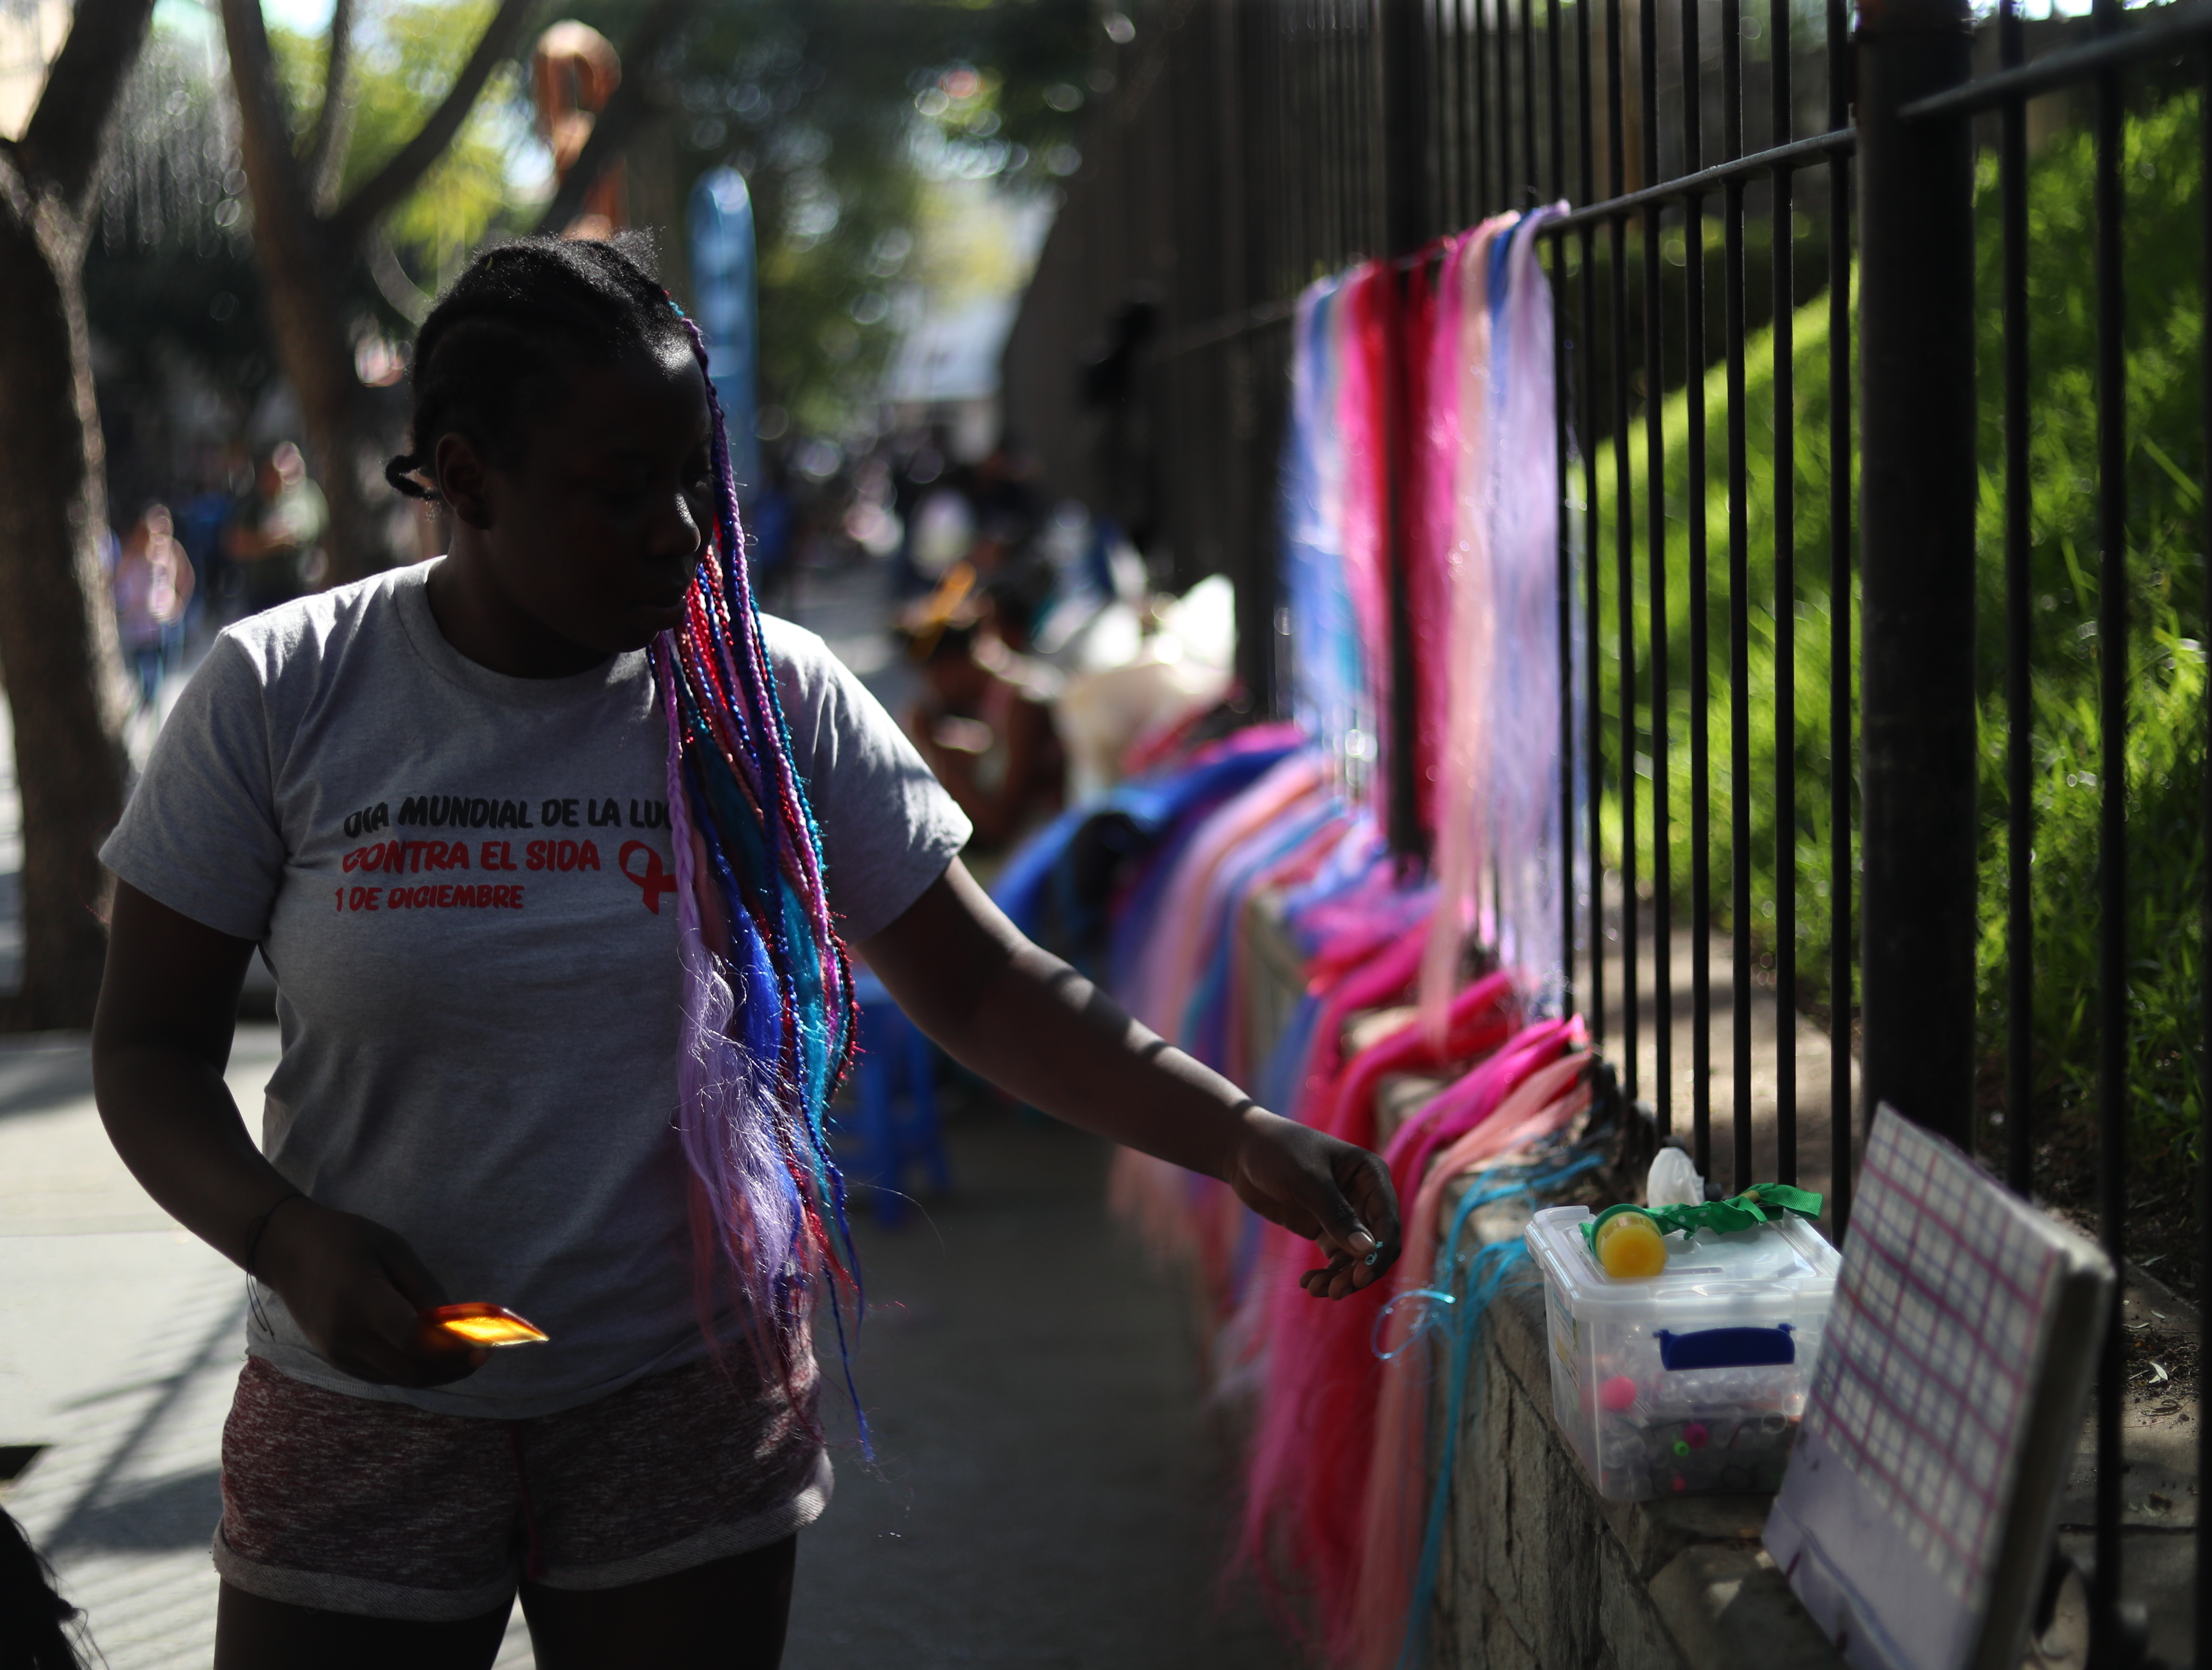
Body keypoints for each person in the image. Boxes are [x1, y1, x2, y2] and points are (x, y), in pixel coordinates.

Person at [90, 236, 1399, 1670]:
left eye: (692, 478)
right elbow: (150, 1049)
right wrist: (278, 1233)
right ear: (463, 478)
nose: (680, 533)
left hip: (680, 1397)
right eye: (615, 490)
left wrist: (1235, 1131)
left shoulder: (769, 701)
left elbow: (975, 981)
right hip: (358, 1405)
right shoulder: (279, 693)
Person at [900, 568, 1066, 861]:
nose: (931, 688)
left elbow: (997, 827)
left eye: (931, 674)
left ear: (949, 667)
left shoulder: (1022, 701)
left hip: (1035, 853)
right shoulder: (1002, 696)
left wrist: (934, 750)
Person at [222, 441, 327, 613]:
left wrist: (258, 543)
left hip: (297, 589)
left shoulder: (307, 498)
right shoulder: (255, 504)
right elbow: (234, 543)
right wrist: (270, 542)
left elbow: (297, 535)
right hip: (260, 592)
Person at [110, 503, 195, 710]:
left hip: (167, 623)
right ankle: (147, 709)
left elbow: (186, 577)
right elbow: (117, 583)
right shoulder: (133, 555)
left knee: (165, 676)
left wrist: (178, 605)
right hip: (141, 626)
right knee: (148, 676)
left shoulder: (172, 549)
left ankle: (157, 718)